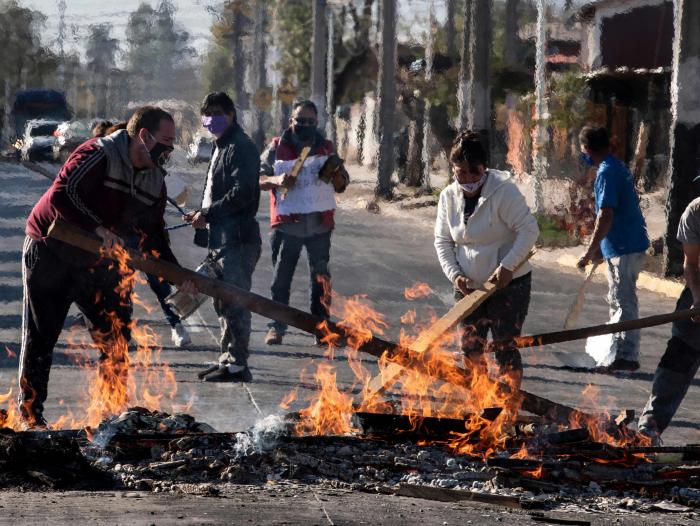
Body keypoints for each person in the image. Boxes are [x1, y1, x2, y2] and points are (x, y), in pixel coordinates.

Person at [19, 106, 194, 429]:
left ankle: (113, 417)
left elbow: (153, 236)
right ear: (145, 136)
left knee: (115, 339)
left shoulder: (156, 180)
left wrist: (178, 275)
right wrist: (98, 228)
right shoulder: (99, 154)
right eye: (167, 142)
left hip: (99, 262)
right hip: (51, 250)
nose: (170, 150)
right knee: (42, 338)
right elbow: (62, 195)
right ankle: (30, 416)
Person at [434, 130, 539, 390]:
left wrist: (507, 267)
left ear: (485, 169)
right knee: (470, 348)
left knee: (505, 348)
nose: (467, 179)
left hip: (508, 285)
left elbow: (529, 230)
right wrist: (456, 276)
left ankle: (508, 404)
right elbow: (443, 241)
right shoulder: (447, 197)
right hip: (469, 288)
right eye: (461, 173)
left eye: (474, 172)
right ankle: (481, 401)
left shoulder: (504, 192)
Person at [184, 92, 261, 383]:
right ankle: (227, 360)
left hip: (238, 239)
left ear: (231, 114)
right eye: (207, 113)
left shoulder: (240, 147)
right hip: (221, 238)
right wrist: (201, 214)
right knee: (222, 302)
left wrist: (210, 214)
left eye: (217, 112)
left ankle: (238, 366)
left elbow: (242, 193)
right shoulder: (221, 146)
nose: (211, 119)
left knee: (236, 301)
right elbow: (216, 193)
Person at [259, 99, 349, 346]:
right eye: (300, 120)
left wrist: (337, 175)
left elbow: (341, 185)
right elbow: (258, 178)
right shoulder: (277, 147)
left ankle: (321, 327)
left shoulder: (327, 148)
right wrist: (277, 180)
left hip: (319, 226)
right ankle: (276, 327)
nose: (305, 125)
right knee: (281, 279)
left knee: (321, 278)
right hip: (287, 225)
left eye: (310, 121)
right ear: (291, 121)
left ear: (317, 122)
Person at [95, 121, 191, 348]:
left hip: (149, 241)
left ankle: (177, 325)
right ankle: (123, 333)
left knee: (161, 287)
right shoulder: (108, 169)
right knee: (122, 288)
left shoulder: (150, 168)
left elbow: (177, 194)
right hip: (122, 244)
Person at [577, 126, 650, 372]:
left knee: (623, 301)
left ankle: (626, 357)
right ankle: (620, 353)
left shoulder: (607, 172)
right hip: (624, 243)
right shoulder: (616, 166)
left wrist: (591, 249)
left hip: (624, 245)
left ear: (587, 149)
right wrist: (600, 249)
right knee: (620, 300)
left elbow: (606, 214)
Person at [638, 196, 700, 443]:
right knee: (678, 357)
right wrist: (697, 299)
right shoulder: (695, 211)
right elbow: (692, 263)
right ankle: (649, 428)